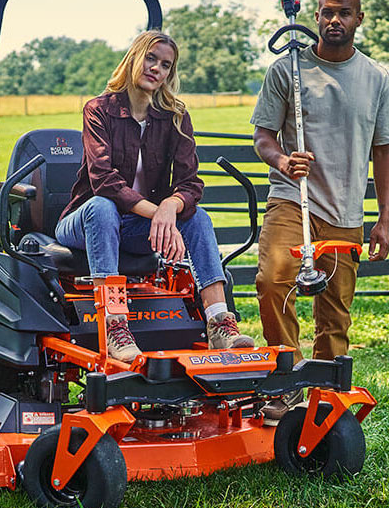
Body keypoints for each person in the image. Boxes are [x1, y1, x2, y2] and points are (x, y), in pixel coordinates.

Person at [250, 0, 389, 422]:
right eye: (325, 12)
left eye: (343, 13)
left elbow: (387, 149)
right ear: (314, 17)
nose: (334, 20)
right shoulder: (288, 70)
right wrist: (281, 158)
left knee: (334, 309)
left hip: (346, 210)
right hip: (293, 199)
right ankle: (284, 384)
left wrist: (384, 220)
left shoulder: (376, 78)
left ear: (359, 19)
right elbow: (263, 136)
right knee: (274, 283)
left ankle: (323, 390)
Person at [56, 30, 253, 362]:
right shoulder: (98, 110)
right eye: (151, 58)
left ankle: (220, 323)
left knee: (198, 216)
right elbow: (104, 180)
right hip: (83, 223)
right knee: (102, 207)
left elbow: (191, 183)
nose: (156, 69)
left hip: (136, 227)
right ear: (135, 57)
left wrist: (170, 207)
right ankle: (115, 327)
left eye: (165, 65)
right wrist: (159, 214)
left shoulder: (175, 117)